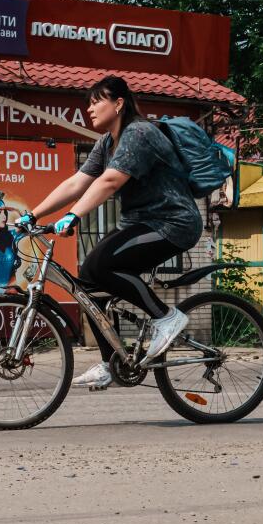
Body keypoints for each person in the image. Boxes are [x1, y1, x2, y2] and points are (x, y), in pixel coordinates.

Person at [19, 76, 205, 391]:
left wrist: (72, 215)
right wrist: (32, 214)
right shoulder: (107, 143)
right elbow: (77, 183)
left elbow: (109, 182)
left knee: (105, 265)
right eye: (88, 103)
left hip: (173, 222)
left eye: (96, 102)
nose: (89, 109)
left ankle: (166, 318)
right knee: (88, 280)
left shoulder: (139, 133)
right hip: (140, 223)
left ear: (118, 104)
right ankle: (111, 363)